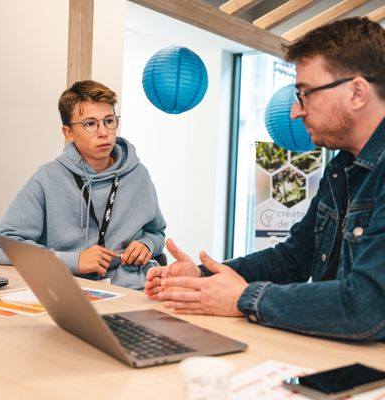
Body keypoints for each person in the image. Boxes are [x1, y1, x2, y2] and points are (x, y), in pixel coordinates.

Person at [145, 17, 385, 341]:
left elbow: (364, 307)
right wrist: (203, 278)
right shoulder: (340, 168)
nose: (295, 112)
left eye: (305, 93)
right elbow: (294, 258)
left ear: (357, 92)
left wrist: (243, 298)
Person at [0, 80, 166, 289]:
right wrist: (74, 261)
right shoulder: (47, 178)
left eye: (109, 121)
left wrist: (147, 245)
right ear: (68, 133)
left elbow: (156, 233)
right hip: (70, 290)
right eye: (90, 124)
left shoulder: (138, 174)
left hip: (133, 289)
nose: (103, 132)